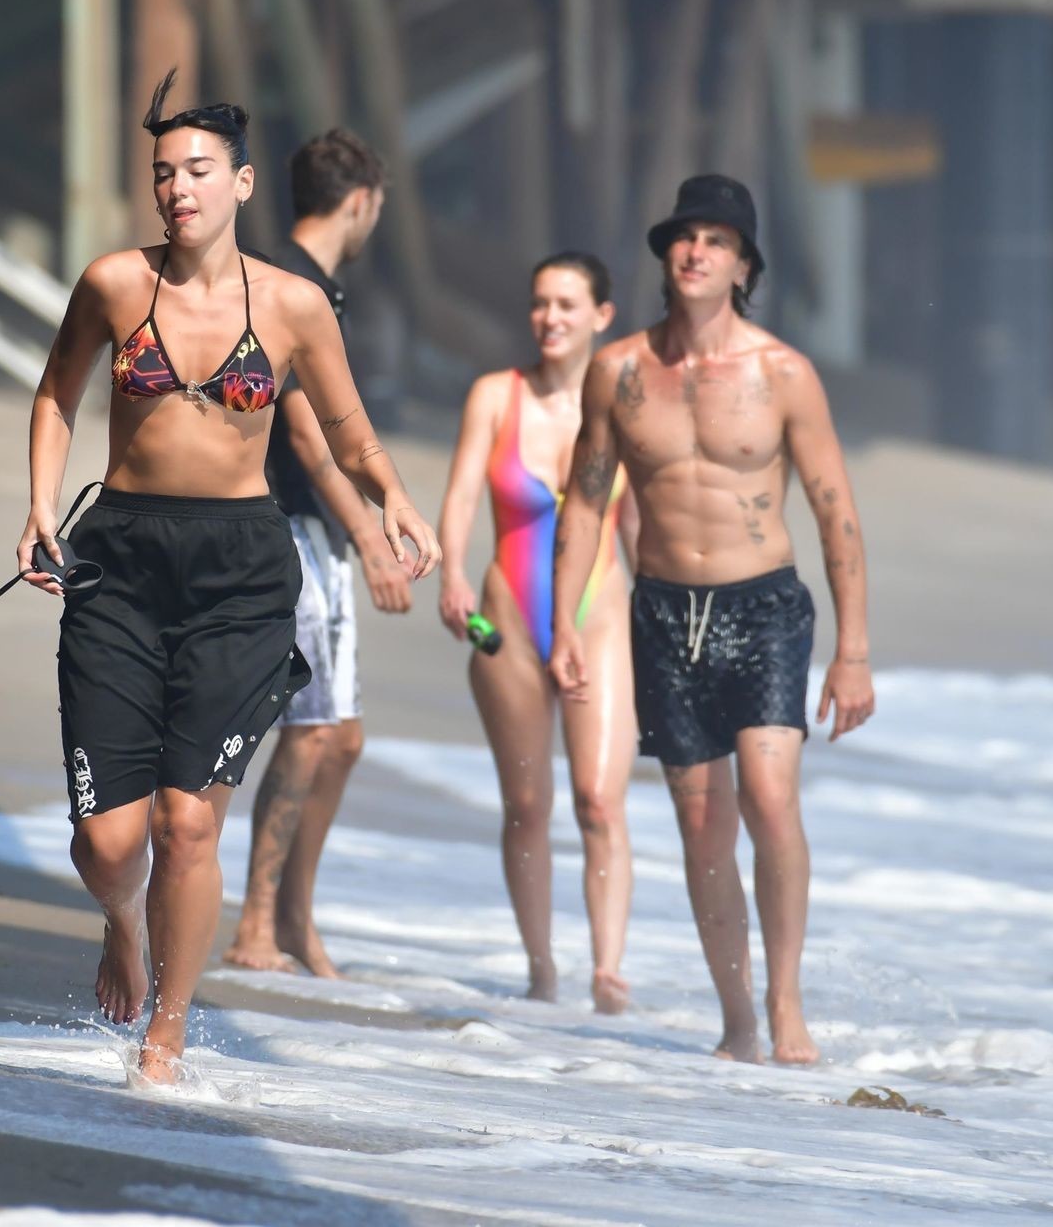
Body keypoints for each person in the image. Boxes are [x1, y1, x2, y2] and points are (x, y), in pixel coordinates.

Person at [16, 73, 440, 1085]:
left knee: (187, 819)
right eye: (164, 173)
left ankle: (166, 1031)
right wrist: (39, 504)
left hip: (242, 573)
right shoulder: (115, 283)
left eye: (199, 171)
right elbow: (56, 393)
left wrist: (393, 497)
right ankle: (122, 918)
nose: (179, 189)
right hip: (120, 559)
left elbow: (346, 428)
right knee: (105, 843)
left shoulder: (294, 305)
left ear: (242, 183)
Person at [549, 175, 875, 1064]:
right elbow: (586, 503)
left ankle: (785, 1001)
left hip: (763, 607)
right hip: (663, 613)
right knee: (701, 825)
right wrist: (565, 621)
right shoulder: (618, 372)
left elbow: (836, 511)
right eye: (685, 237)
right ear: (667, 256)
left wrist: (853, 649)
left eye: (718, 240)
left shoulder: (783, 374)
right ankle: (737, 1016)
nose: (697, 251)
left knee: (769, 797)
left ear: (743, 267)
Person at [225, 129, 413, 978]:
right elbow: (306, 434)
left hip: (313, 529)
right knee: (310, 731)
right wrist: (374, 537)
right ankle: (256, 923)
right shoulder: (295, 287)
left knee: (340, 737)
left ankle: (292, 916)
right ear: (363, 202)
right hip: (290, 526)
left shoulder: (307, 283)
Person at [435, 252, 642, 1012]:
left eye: (566, 304)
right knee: (527, 804)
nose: (549, 318)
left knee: (598, 800)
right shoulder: (498, 395)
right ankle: (542, 969)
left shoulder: (626, 402)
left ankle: (608, 970)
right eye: (539, 303)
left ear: (602, 316)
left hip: (601, 616)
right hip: (509, 620)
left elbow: (640, 525)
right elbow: (461, 494)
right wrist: (452, 576)